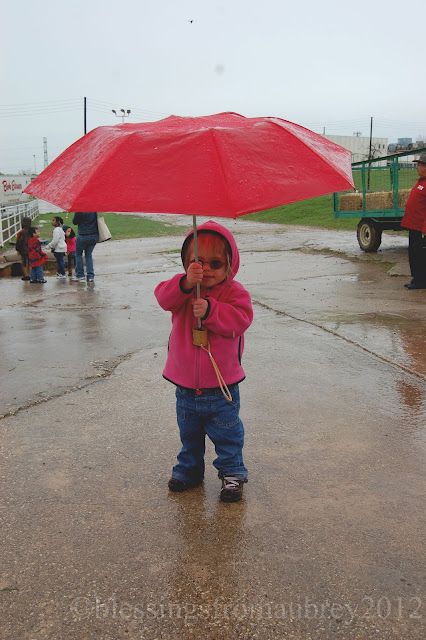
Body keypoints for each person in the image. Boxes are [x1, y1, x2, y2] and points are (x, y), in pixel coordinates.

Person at [154, 221, 253, 502]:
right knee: (189, 435)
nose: (206, 269)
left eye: (215, 263)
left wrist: (211, 310)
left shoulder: (234, 293)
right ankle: (189, 469)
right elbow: (163, 298)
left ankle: (232, 472)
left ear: (230, 265)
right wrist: (186, 283)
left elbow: (240, 320)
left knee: (228, 435)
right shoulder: (183, 289)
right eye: (197, 262)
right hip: (186, 386)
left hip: (221, 387)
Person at [401, 152, 426, 290]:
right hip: (413, 225)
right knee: (413, 253)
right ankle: (416, 278)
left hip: (420, 227)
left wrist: (424, 230)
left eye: (419, 165)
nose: (417, 167)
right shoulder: (420, 182)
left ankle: (421, 280)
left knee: (420, 254)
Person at [72, 212, 98, 283]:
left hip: (82, 235)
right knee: (88, 255)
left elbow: (74, 222)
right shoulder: (93, 210)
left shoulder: (79, 210)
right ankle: (90, 276)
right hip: (93, 235)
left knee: (78, 254)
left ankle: (80, 274)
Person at [15, 216, 32, 281]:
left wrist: (18, 249)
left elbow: (19, 241)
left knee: (24, 263)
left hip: (23, 250)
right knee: (30, 263)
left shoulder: (21, 232)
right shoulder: (32, 231)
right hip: (31, 250)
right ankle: (30, 274)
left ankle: (26, 275)